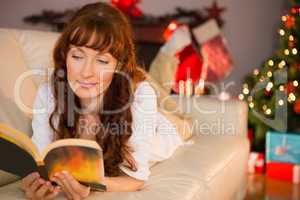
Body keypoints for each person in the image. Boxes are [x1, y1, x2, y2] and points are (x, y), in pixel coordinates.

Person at [20, 2, 192, 200]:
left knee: (179, 117)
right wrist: (32, 184)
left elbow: (137, 179)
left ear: (118, 64)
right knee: (144, 83)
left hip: (165, 128)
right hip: (124, 90)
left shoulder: (140, 98)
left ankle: (167, 54)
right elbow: (39, 161)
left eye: (102, 61)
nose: (86, 72)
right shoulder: (49, 94)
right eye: (77, 56)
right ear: (64, 55)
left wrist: (92, 185)